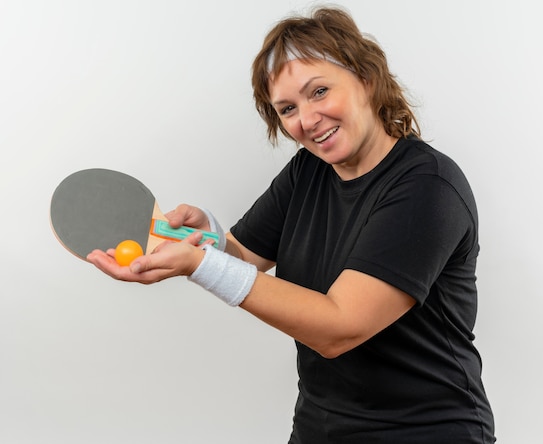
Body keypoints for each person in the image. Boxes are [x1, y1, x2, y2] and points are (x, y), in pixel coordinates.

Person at [87, 6, 496, 443]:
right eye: (287, 108)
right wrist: (203, 236)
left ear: (367, 79)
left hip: (426, 432)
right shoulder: (310, 170)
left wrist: (198, 264)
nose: (306, 120)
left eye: (319, 91)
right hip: (320, 429)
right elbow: (244, 255)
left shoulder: (427, 187)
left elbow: (340, 327)